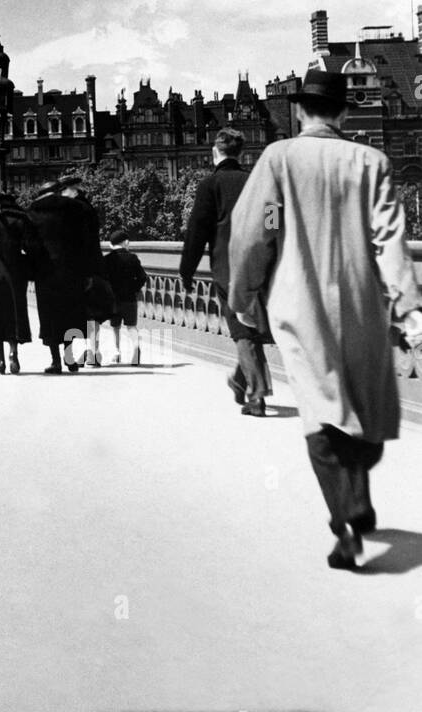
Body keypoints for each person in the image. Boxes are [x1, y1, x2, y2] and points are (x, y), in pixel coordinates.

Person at [228, 70, 422, 570]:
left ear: (299, 111)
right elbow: (388, 239)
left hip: (299, 306)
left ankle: (346, 523)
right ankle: (357, 496)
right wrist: (406, 302)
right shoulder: (371, 162)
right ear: (344, 113)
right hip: (362, 303)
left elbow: (261, 229)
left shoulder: (279, 161)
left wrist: (245, 291)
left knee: (321, 412)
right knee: (366, 408)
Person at [180, 127, 273, 415]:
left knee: (241, 330)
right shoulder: (261, 182)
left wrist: (187, 270)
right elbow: (274, 221)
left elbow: (197, 230)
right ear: (241, 152)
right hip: (262, 264)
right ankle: (240, 380)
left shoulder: (210, 185)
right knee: (252, 328)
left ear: (215, 152)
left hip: (227, 267)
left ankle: (256, 397)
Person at [28, 174, 104, 373]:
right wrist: (89, 271)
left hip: (45, 272)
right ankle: (69, 357)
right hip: (72, 270)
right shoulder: (76, 209)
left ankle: (55, 362)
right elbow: (86, 242)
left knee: (50, 315)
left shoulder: (33, 212)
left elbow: (30, 244)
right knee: (69, 313)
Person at [0, 192, 40, 374]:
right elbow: (31, 248)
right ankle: (14, 352)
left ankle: (0, 361)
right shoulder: (22, 219)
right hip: (14, 273)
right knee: (13, 311)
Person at [103, 229, 147, 366]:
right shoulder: (133, 258)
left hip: (113, 299)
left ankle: (117, 352)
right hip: (129, 298)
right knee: (131, 326)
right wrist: (134, 288)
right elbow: (142, 277)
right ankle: (135, 349)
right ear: (125, 242)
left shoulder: (107, 259)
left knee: (115, 326)